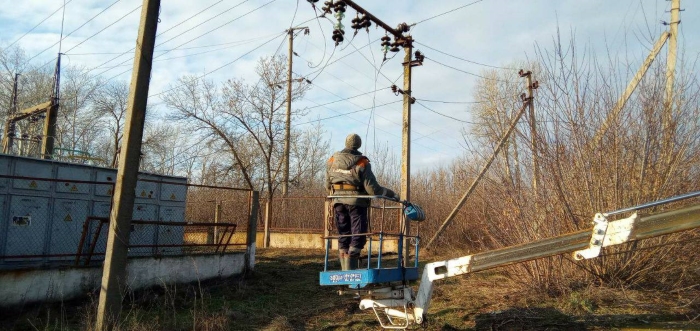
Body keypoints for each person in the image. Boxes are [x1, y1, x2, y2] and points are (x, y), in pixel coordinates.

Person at [326, 133, 398, 270]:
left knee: (343, 232)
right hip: (357, 203)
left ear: (346, 143)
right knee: (358, 232)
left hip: (338, 202)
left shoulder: (332, 160)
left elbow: (327, 184)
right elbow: (373, 189)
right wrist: (392, 194)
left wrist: (334, 195)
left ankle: (344, 267)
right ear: (358, 145)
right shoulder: (362, 162)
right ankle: (352, 266)